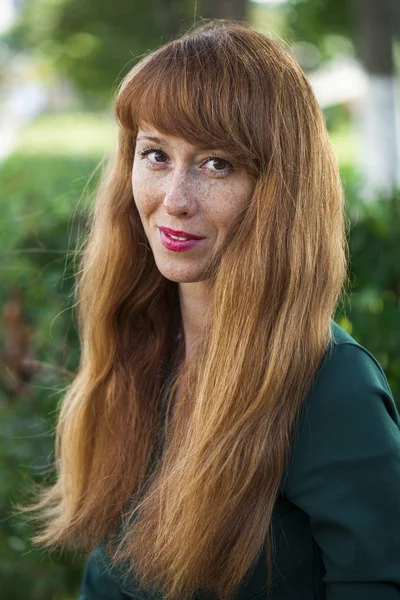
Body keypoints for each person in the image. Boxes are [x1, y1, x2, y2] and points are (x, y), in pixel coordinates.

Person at [25, 19, 400, 600]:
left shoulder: (329, 386)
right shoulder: (140, 338)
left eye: (216, 164)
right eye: (155, 155)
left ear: (281, 191)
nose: (174, 200)